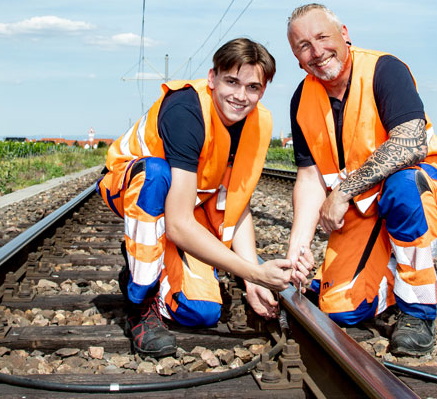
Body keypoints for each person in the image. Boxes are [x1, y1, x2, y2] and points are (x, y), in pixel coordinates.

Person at [99, 37, 294, 358]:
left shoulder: (256, 123)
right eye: (232, 82)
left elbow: (237, 202)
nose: (241, 96)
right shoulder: (186, 111)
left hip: (189, 202)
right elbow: (176, 225)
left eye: (252, 87)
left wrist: (250, 280)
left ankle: (160, 271)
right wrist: (255, 272)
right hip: (134, 186)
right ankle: (140, 301)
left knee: (199, 312)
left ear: (263, 90)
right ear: (212, 78)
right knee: (155, 175)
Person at [283, 3, 437, 356]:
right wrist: (297, 249)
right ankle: (390, 273)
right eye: (303, 46)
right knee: (341, 310)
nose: (316, 52)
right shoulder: (301, 99)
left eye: (322, 37)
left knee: (404, 185)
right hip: (362, 207)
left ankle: (418, 310)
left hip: (419, 186)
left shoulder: (384, 69)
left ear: (344, 34)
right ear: (297, 58)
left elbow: (409, 142)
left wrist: (343, 191)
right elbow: (309, 177)